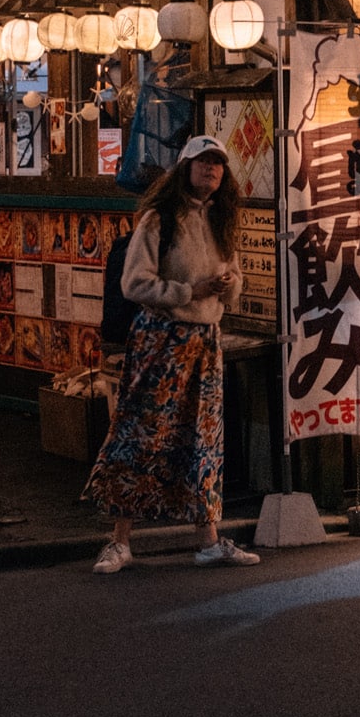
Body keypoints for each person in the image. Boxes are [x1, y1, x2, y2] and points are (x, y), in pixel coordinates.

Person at [87, 136, 259, 573]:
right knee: (140, 434)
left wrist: (226, 285)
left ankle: (208, 540)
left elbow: (235, 280)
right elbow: (134, 284)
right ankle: (119, 542)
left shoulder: (221, 220)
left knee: (203, 441)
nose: (212, 171)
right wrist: (189, 290)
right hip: (160, 339)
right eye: (203, 163)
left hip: (206, 341)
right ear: (184, 168)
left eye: (218, 165)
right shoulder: (159, 218)